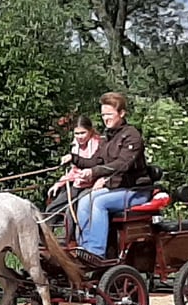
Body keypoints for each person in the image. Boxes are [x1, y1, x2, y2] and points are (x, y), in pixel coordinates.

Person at [70, 92, 152, 258]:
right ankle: (84, 248)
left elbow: (121, 164)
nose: (105, 119)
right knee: (85, 200)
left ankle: (96, 252)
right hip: (117, 189)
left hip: (136, 191)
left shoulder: (132, 136)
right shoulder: (108, 138)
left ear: (121, 113)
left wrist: (95, 173)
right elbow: (95, 161)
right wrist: (74, 159)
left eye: (109, 114)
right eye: (102, 115)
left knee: (99, 202)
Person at [45, 115, 102, 224]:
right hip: (77, 184)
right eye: (77, 133)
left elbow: (95, 164)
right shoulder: (75, 146)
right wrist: (59, 183)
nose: (79, 137)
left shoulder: (97, 145)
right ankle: (48, 237)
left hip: (91, 185)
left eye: (83, 133)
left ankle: (72, 238)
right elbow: (73, 171)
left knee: (71, 211)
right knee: (52, 208)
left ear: (90, 131)